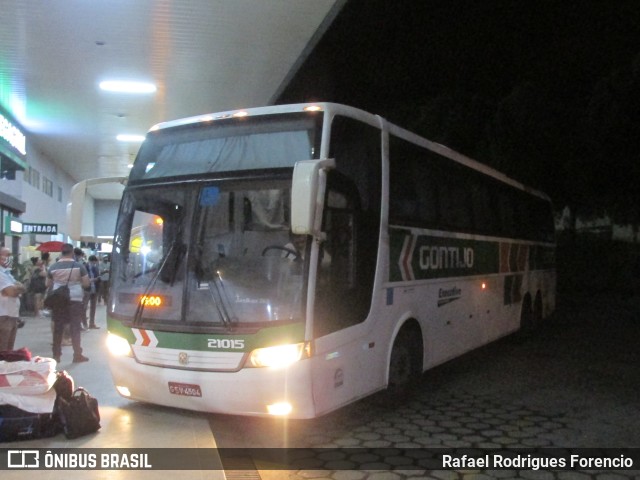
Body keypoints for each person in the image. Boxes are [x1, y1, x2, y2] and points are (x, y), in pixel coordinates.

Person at [47, 243, 90, 363]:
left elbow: (48, 284)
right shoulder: (79, 266)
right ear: (72, 253)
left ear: (61, 253)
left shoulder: (53, 267)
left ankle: (56, 355)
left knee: (58, 328)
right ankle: (77, 355)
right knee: (75, 328)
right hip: (75, 299)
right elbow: (86, 284)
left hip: (58, 300)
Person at [0, 247, 26, 351]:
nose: (9, 258)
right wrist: (17, 289)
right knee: (3, 350)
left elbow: (22, 288)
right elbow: (11, 292)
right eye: (7, 255)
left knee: (8, 350)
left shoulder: (7, 274)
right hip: (3, 315)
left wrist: (18, 289)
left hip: (11, 315)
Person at [85, 255, 101, 329]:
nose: (94, 264)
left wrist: (97, 279)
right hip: (87, 290)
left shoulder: (95, 268)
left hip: (94, 289)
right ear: (91, 261)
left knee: (93, 308)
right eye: (94, 262)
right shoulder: (84, 267)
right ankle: (84, 323)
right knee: (84, 307)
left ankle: (92, 323)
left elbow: (98, 277)